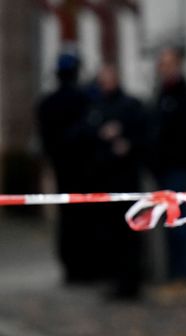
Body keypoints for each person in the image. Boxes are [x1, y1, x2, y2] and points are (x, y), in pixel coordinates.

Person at [81, 63, 146, 299]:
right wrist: (101, 133)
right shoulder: (95, 107)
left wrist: (127, 144)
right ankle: (114, 278)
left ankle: (130, 281)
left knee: (130, 232)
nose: (106, 84)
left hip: (126, 181)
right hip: (103, 182)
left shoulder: (129, 106)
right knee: (109, 234)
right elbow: (83, 135)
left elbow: (144, 136)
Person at [36, 51, 95, 284]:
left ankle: (72, 268)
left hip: (63, 169)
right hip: (84, 169)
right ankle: (83, 267)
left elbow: (45, 140)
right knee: (83, 218)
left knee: (68, 218)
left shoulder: (47, 103)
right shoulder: (83, 100)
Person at [148, 45, 186, 284]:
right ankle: (173, 276)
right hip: (162, 169)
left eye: (168, 64)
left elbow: (182, 136)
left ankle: (185, 276)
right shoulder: (161, 94)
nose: (164, 69)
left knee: (178, 223)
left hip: (178, 169)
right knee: (168, 225)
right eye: (162, 64)